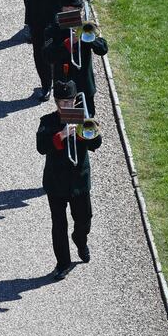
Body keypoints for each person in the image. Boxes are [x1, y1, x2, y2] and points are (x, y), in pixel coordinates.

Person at [36, 80, 101, 280]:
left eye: (69, 101)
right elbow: (41, 147)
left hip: (79, 181)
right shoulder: (47, 121)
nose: (66, 105)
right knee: (58, 224)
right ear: (56, 103)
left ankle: (80, 240)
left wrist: (84, 133)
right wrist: (61, 135)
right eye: (62, 102)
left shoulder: (81, 118)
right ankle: (62, 263)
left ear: (74, 101)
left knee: (84, 219)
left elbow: (96, 143)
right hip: (56, 182)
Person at [43, 0, 108, 117]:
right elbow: (48, 56)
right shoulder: (52, 29)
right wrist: (68, 43)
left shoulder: (86, 28)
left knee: (87, 120)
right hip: (65, 84)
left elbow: (103, 49)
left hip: (84, 82)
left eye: (74, 11)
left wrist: (90, 38)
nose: (70, 14)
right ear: (61, 9)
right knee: (70, 122)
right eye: (67, 11)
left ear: (80, 10)